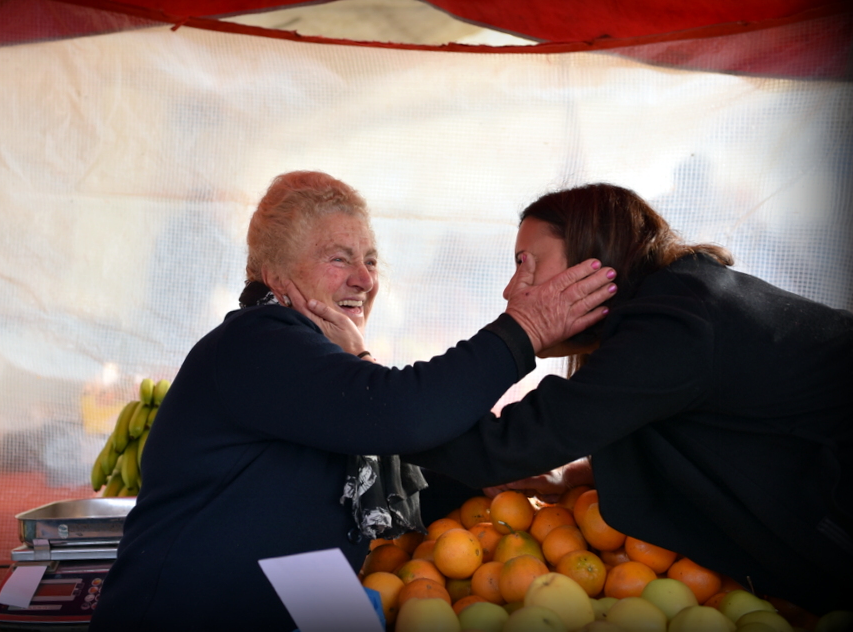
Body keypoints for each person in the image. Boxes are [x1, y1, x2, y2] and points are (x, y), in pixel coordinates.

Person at [88, 170, 616, 631]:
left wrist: (490, 469)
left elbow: (387, 493)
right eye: (339, 259)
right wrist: (526, 329)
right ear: (275, 275)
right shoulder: (258, 342)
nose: (364, 280)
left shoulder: (313, 364)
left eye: (370, 260)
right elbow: (403, 414)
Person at [404, 182, 853, 615]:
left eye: (526, 262)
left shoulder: (675, 325)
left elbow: (507, 445)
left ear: (592, 258)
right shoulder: (681, 301)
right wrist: (575, 475)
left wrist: (376, 401)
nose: (511, 289)